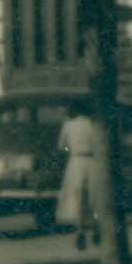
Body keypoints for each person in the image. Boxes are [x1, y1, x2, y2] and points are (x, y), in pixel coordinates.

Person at [54, 99, 108, 252]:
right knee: (93, 195)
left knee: (77, 197)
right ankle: (96, 228)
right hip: (91, 160)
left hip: (75, 161)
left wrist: (70, 150)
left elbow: (61, 147)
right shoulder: (92, 125)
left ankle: (80, 231)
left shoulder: (68, 125)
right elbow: (98, 144)